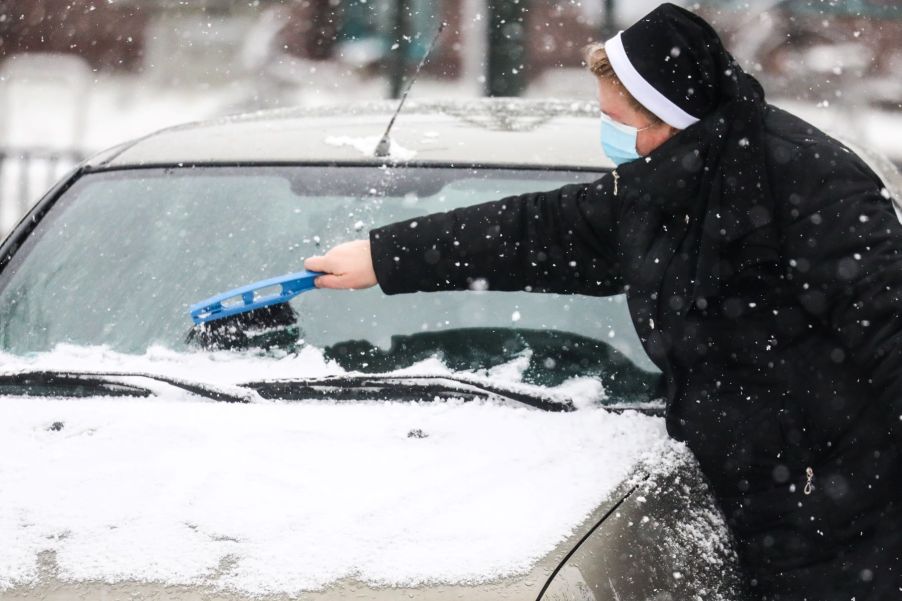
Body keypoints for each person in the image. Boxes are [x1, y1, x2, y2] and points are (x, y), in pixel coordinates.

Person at [304, 4, 902, 599]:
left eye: (615, 119)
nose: (607, 133)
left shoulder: (815, 183)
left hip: (839, 512)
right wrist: (385, 258)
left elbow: (891, 334)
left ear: (670, 116)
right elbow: (536, 231)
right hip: (749, 499)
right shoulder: (665, 179)